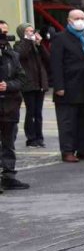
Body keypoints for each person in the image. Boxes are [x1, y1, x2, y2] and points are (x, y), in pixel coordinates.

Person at [50, 9, 84, 162]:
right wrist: (59, 86)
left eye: (82, 18)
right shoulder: (60, 38)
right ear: (69, 20)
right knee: (68, 122)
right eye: (76, 18)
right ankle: (68, 151)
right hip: (69, 86)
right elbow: (56, 64)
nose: (80, 21)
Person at [0, 21, 28, 191]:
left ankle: (8, 175)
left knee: (8, 142)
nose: (4, 35)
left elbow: (22, 79)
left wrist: (8, 85)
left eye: (5, 32)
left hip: (9, 106)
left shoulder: (12, 55)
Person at [15, 23, 49, 148]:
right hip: (28, 84)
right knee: (31, 112)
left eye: (32, 31)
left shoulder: (36, 46)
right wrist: (27, 41)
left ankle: (39, 137)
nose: (31, 33)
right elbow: (21, 55)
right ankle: (31, 138)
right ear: (22, 33)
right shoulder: (19, 45)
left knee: (38, 113)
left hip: (40, 83)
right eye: (28, 31)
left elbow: (47, 59)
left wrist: (40, 45)